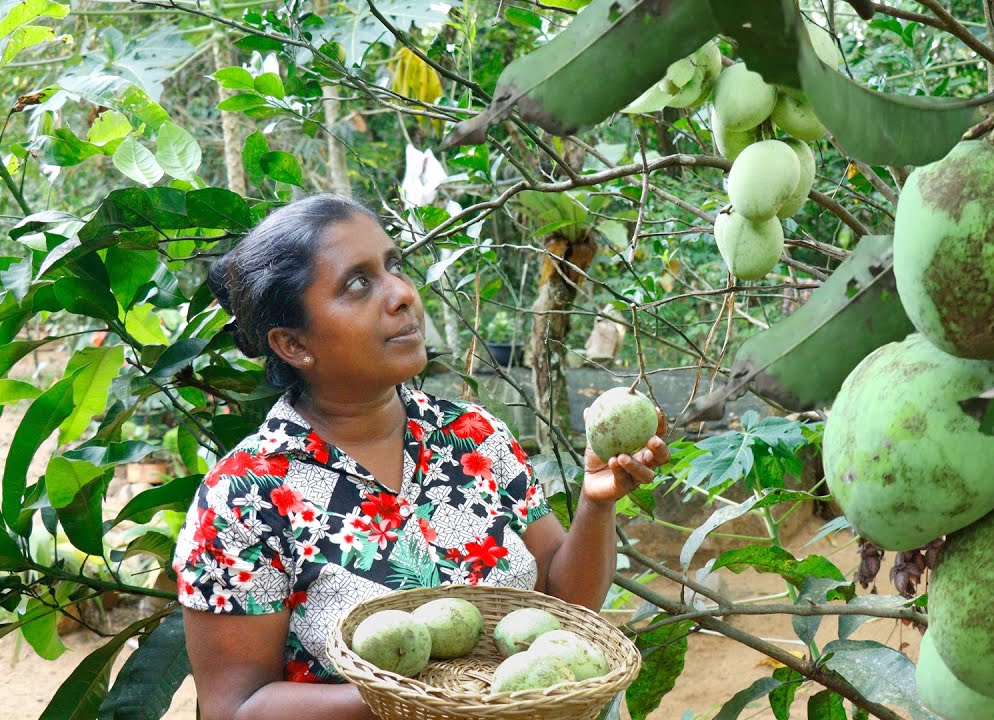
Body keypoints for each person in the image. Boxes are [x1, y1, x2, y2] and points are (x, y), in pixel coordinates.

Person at [171, 194, 669, 720]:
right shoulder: (244, 496)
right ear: (293, 345)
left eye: (394, 266)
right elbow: (236, 708)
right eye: (358, 284)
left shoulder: (473, 436)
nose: (403, 294)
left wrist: (596, 504)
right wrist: (420, 702)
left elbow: (561, 608)